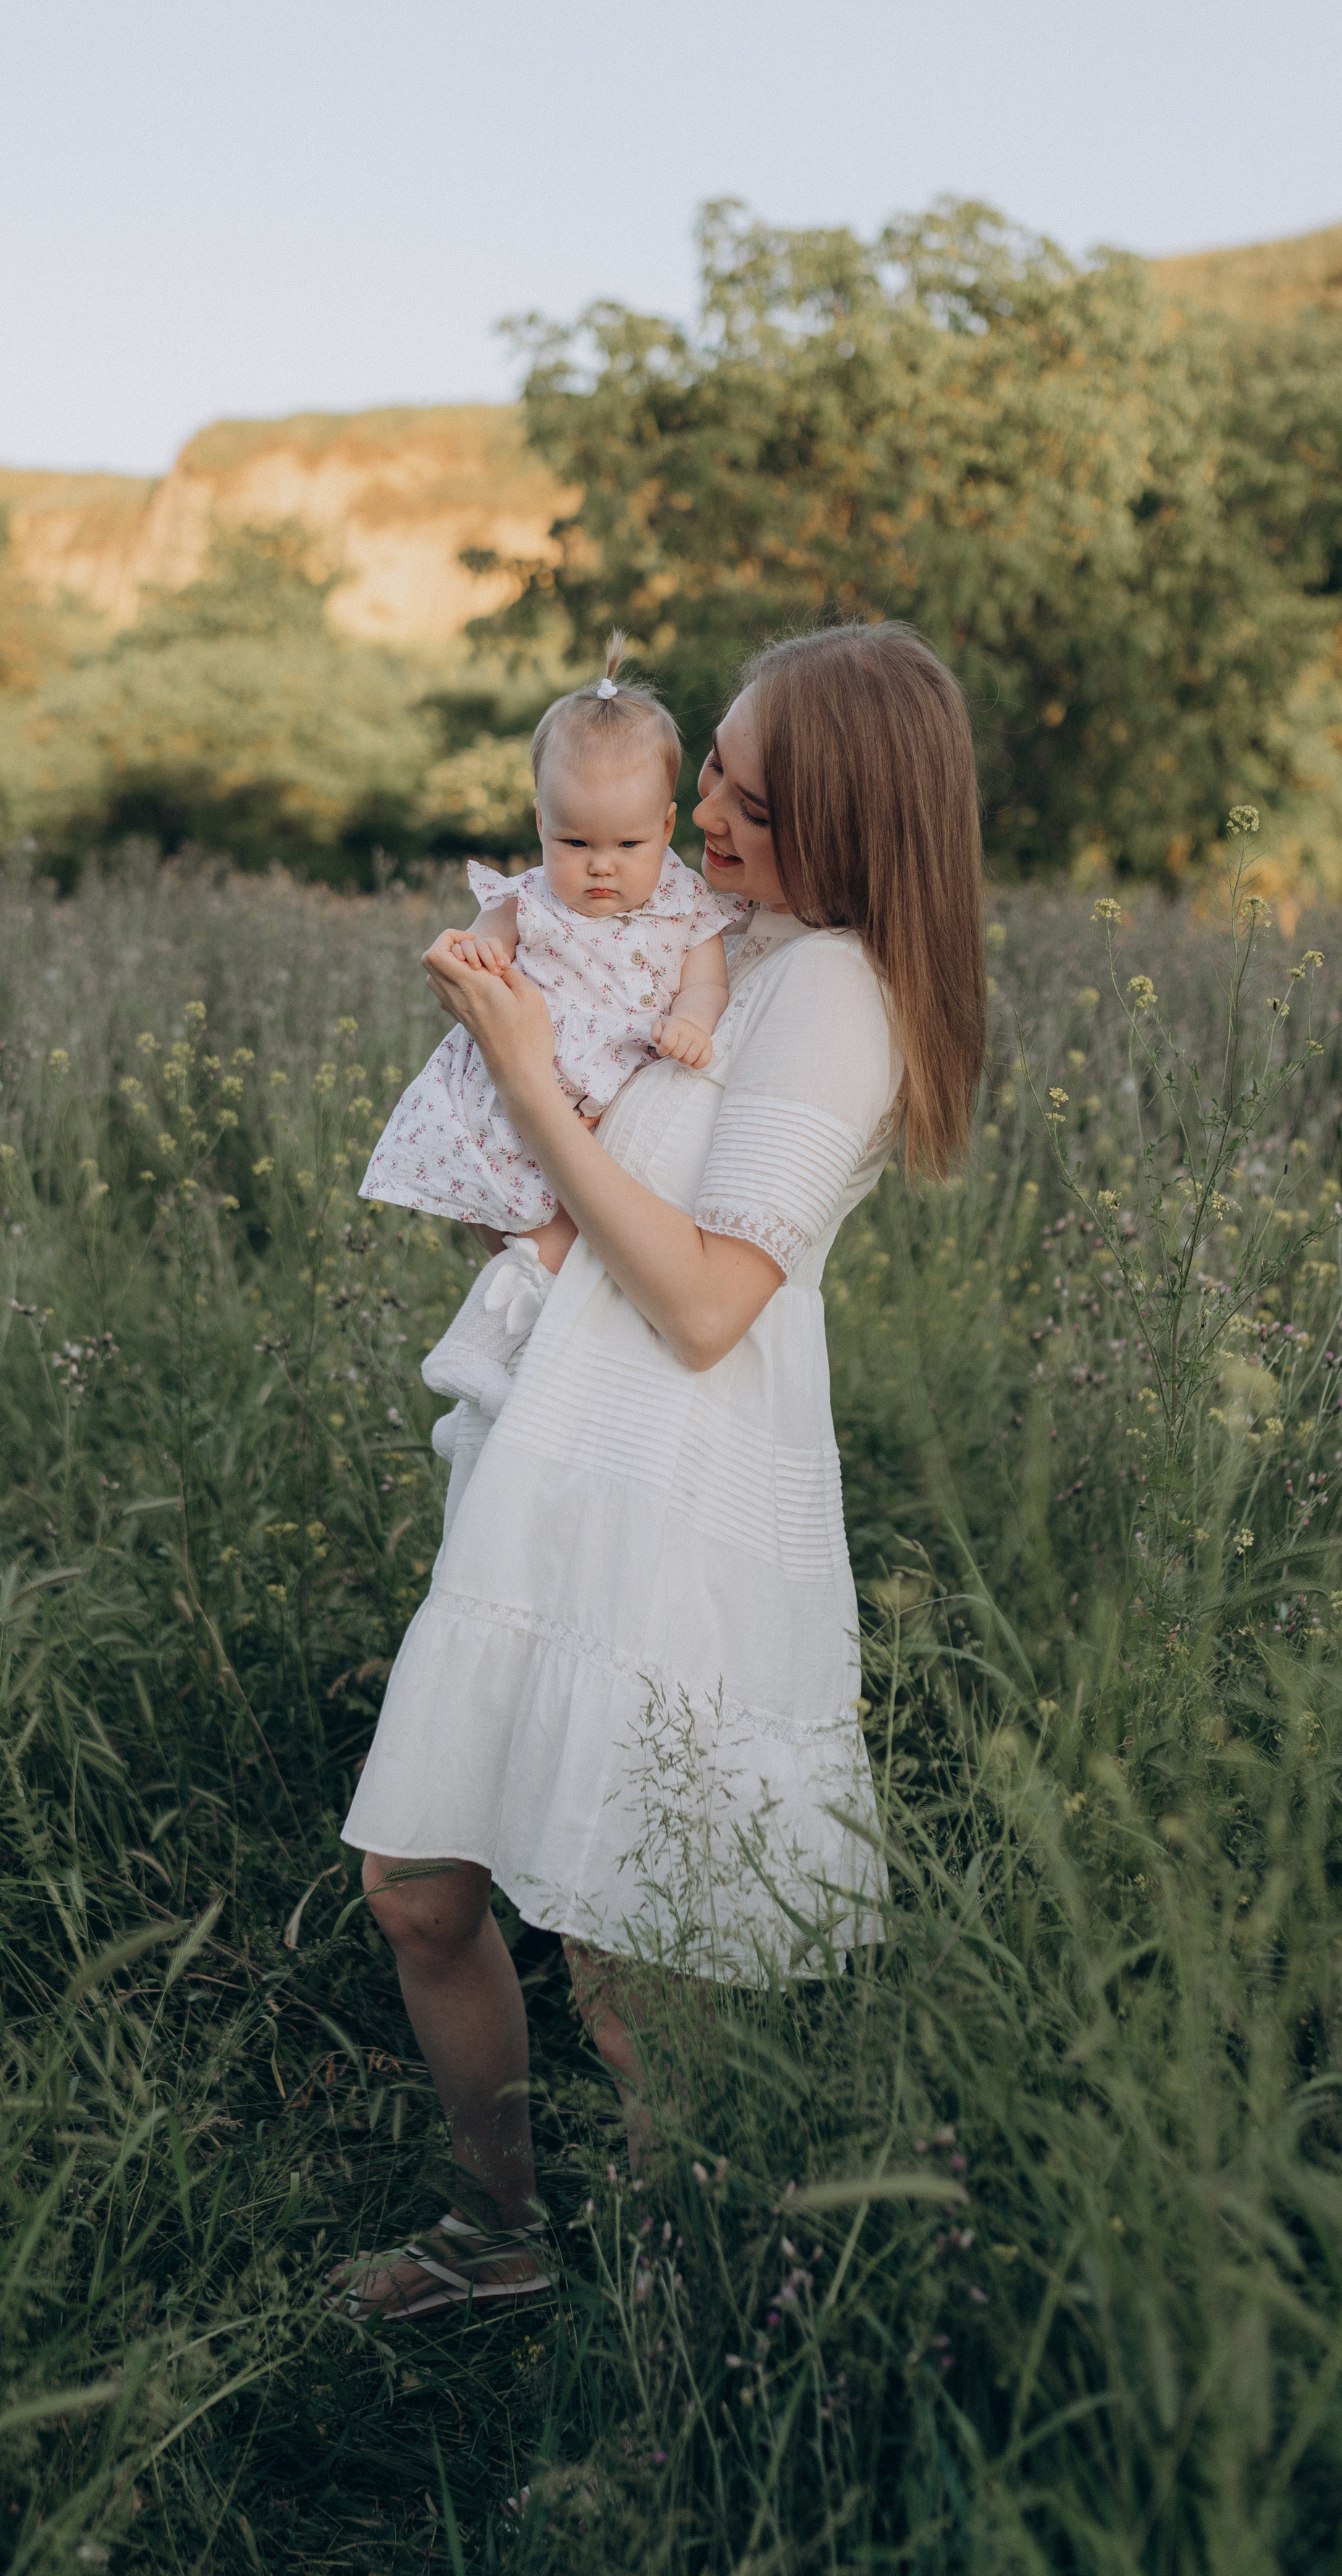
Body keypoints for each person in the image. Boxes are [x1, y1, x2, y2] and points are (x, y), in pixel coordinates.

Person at [332, 621, 986, 2321]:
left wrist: (526, 1079)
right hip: (552, 1454)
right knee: (422, 1887)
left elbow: (702, 1300)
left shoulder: (834, 992)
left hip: (662, 1492)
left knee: (622, 1969)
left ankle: (664, 2338)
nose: (702, 813)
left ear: (846, 818)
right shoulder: (722, 939)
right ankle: (507, 2236)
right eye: (709, 768)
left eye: (745, 797)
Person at [360, 637, 742, 1393]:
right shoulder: (528, 900)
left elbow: (706, 981)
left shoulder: (685, 902)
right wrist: (474, 956)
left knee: (592, 1243)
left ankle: (520, 1354)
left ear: (667, 829)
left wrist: (690, 1024)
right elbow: (480, 953)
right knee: (549, 1242)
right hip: (527, 1092)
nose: (600, 865)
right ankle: (490, 1349)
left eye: (626, 843)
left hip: (607, 1105)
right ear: (540, 823)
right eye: (574, 842)